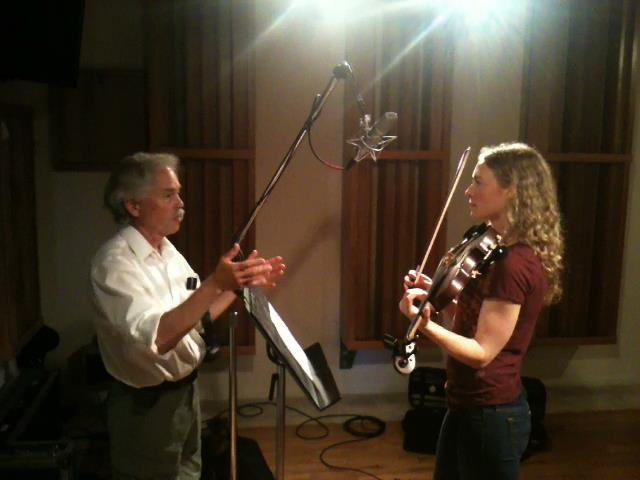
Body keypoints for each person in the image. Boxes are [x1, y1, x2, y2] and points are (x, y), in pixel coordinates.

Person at [90, 152, 285, 479]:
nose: (180, 203)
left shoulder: (167, 251)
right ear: (133, 206)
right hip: (145, 406)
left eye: (178, 193)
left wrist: (237, 286)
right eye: (168, 195)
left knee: (189, 472)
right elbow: (159, 338)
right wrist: (214, 282)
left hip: (185, 393)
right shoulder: (115, 264)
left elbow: (193, 318)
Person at [399, 142, 564, 480]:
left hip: (492, 414)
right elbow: (475, 322)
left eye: (478, 181)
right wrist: (436, 293)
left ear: (511, 190)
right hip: (466, 404)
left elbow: (482, 352)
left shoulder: (513, 264)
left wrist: (422, 323)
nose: (467, 190)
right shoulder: (494, 248)